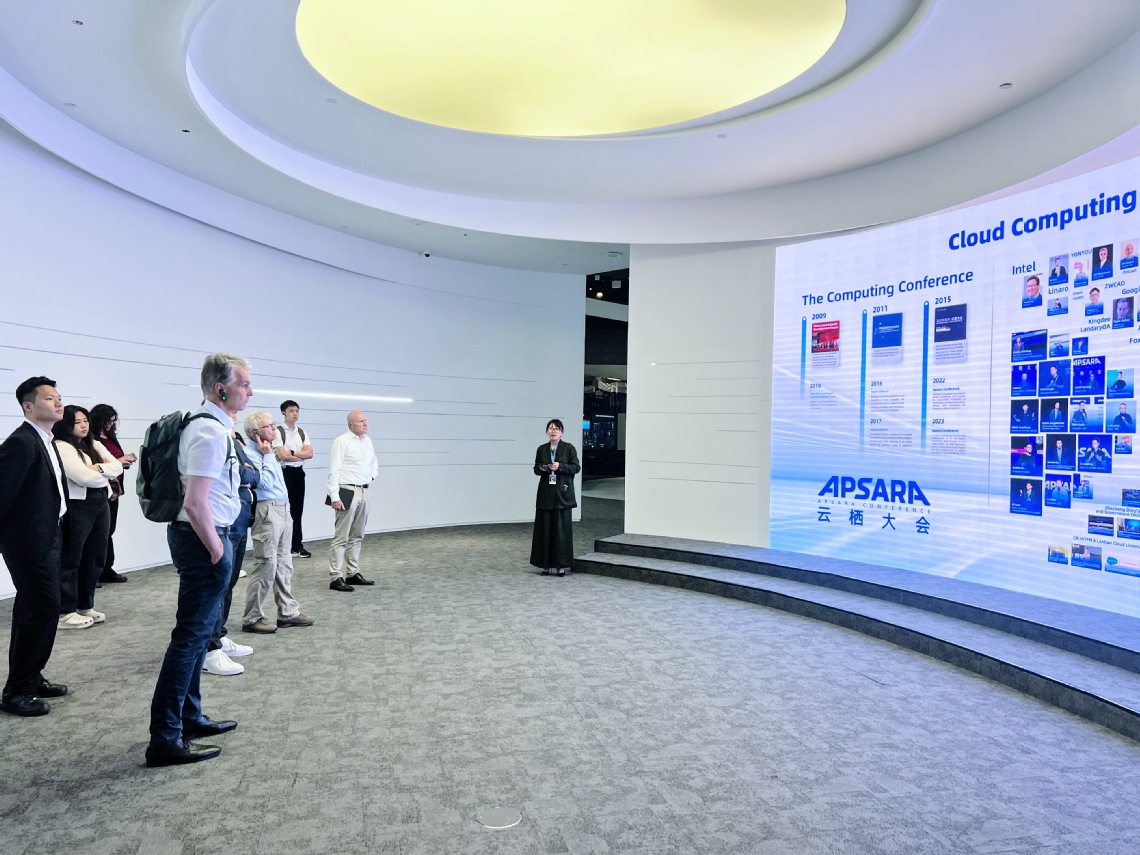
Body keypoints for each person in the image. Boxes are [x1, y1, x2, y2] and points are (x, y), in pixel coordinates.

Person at [146, 354, 251, 767]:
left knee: (197, 635)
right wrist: (218, 550)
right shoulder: (209, 432)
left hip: (200, 539)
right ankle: (165, 738)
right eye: (243, 384)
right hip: (203, 541)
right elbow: (195, 503)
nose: (250, 391)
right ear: (220, 389)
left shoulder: (213, 427)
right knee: (189, 639)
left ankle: (189, 718)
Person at [0, 377, 69, 716]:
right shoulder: (21, 443)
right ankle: (17, 691)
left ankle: (30, 676)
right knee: (43, 608)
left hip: (46, 536)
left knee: (33, 609)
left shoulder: (45, 439)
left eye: (59, 397)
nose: (58, 403)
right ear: (28, 406)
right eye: (49, 398)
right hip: (28, 542)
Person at [52, 406, 122, 630]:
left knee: (95, 557)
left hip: (100, 502)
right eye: (77, 422)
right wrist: (104, 472)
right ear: (65, 424)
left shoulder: (93, 443)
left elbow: (118, 466)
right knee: (71, 558)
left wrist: (96, 468)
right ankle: (64, 612)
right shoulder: (61, 446)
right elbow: (83, 477)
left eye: (85, 421)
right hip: (77, 506)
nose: (83, 426)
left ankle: (85, 605)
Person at [242, 411, 314, 632]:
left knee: (284, 563)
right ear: (256, 433)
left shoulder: (269, 451)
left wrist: (269, 455)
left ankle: (287, 612)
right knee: (266, 564)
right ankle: (252, 618)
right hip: (267, 510)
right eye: (269, 426)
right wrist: (267, 456)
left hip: (282, 507)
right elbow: (263, 483)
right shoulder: (250, 454)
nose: (274, 429)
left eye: (273, 424)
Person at [202, 421, 258, 677]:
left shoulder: (234, 441)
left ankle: (219, 636)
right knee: (217, 586)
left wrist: (245, 473)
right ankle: (209, 649)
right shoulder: (211, 437)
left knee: (229, 583)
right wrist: (244, 474)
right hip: (222, 524)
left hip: (239, 520)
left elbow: (254, 475)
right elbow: (243, 475)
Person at [327, 410, 377, 591]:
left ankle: (352, 573)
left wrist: (371, 476)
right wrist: (334, 496)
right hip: (346, 490)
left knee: (358, 534)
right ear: (350, 425)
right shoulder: (341, 441)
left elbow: (373, 462)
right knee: (341, 537)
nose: (365, 424)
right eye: (361, 421)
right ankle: (335, 576)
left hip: (364, 490)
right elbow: (334, 470)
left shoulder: (368, 441)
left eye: (366, 420)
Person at [88, 405, 136, 585]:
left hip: (114, 490)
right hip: (100, 490)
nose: (111, 424)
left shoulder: (109, 437)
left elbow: (113, 462)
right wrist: (119, 462)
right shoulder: (91, 440)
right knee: (97, 533)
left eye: (113, 421)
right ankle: (92, 573)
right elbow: (96, 465)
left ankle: (106, 569)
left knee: (109, 531)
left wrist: (124, 461)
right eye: (108, 421)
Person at [530, 419, 580, 577]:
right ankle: (545, 565)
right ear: (547, 432)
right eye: (550, 428)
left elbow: (576, 468)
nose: (553, 431)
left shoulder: (569, 448)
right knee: (544, 531)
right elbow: (536, 469)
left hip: (562, 495)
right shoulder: (541, 449)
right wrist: (542, 468)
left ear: (561, 432)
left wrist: (560, 467)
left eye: (556, 429)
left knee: (561, 532)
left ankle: (561, 566)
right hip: (546, 494)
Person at [274, 400, 314, 558]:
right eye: (291, 411)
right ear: (283, 412)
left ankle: (296, 546)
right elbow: (282, 455)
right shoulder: (278, 431)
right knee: (282, 510)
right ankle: (282, 546)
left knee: (297, 510)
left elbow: (310, 454)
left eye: (297, 411)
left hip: (298, 472)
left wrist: (291, 452)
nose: (295, 414)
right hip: (285, 472)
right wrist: (299, 454)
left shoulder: (301, 432)